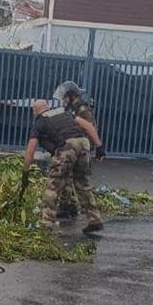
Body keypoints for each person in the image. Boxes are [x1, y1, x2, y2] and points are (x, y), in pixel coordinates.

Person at [22, 99, 104, 233]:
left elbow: (31, 149)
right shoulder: (65, 113)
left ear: (35, 111)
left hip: (67, 146)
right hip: (83, 143)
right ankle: (95, 220)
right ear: (47, 107)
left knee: (53, 185)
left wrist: (25, 171)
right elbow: (88, 126)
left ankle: (45, 224)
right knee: (82, 183)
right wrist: (100, 146)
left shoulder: (40, 121)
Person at [52, 81, 106, 219]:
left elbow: (91, 128)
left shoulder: (82, 110)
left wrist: (98, 146)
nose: (63, 101)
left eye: (64, 97)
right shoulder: (73, 109)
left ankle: (74, 207)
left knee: (76, 179)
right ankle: (69, 205)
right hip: (75, 147)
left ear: (71, 96)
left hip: (81, 147)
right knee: (67, 176)